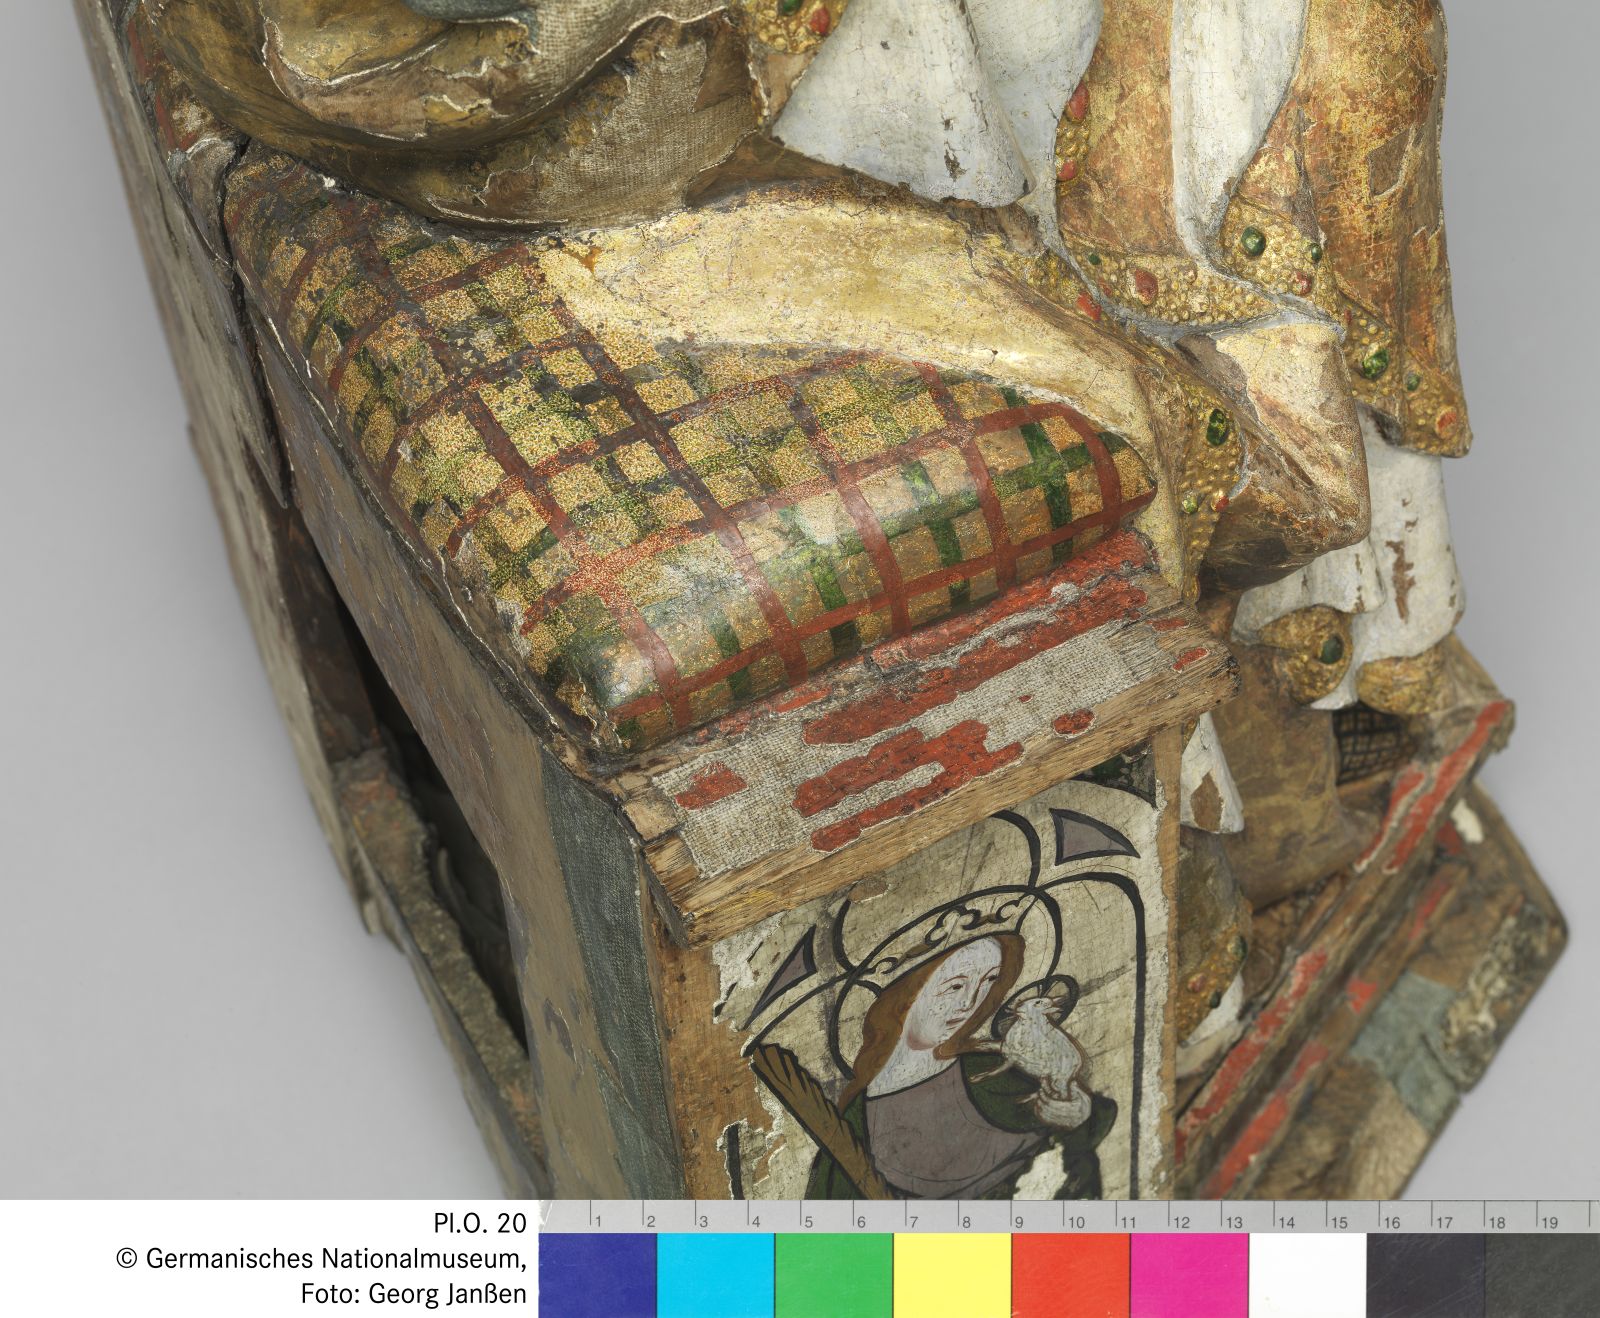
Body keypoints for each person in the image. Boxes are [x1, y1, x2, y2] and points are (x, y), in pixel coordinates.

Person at [806, 934, 1115, 1200]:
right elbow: (828, 1230)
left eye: (989, 981)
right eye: (954, 986)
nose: (970, 1003)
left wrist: (1079, 1112)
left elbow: (1085, 1137)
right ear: (905, 996)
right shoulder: (855, 1125)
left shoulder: (990, 1069)